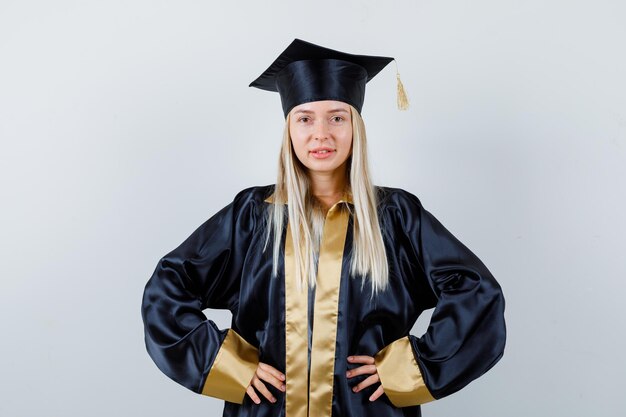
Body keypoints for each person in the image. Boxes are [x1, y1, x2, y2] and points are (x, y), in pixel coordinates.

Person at [141, 38, 506, 417]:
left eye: (336, 117)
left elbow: (476, 292)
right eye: (305, 118)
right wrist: (233, 368)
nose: (321, 134)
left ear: (356, 127)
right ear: (289, 129)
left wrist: (407, 368)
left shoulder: (395, 216)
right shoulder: (253, 216)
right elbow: (167, 290)